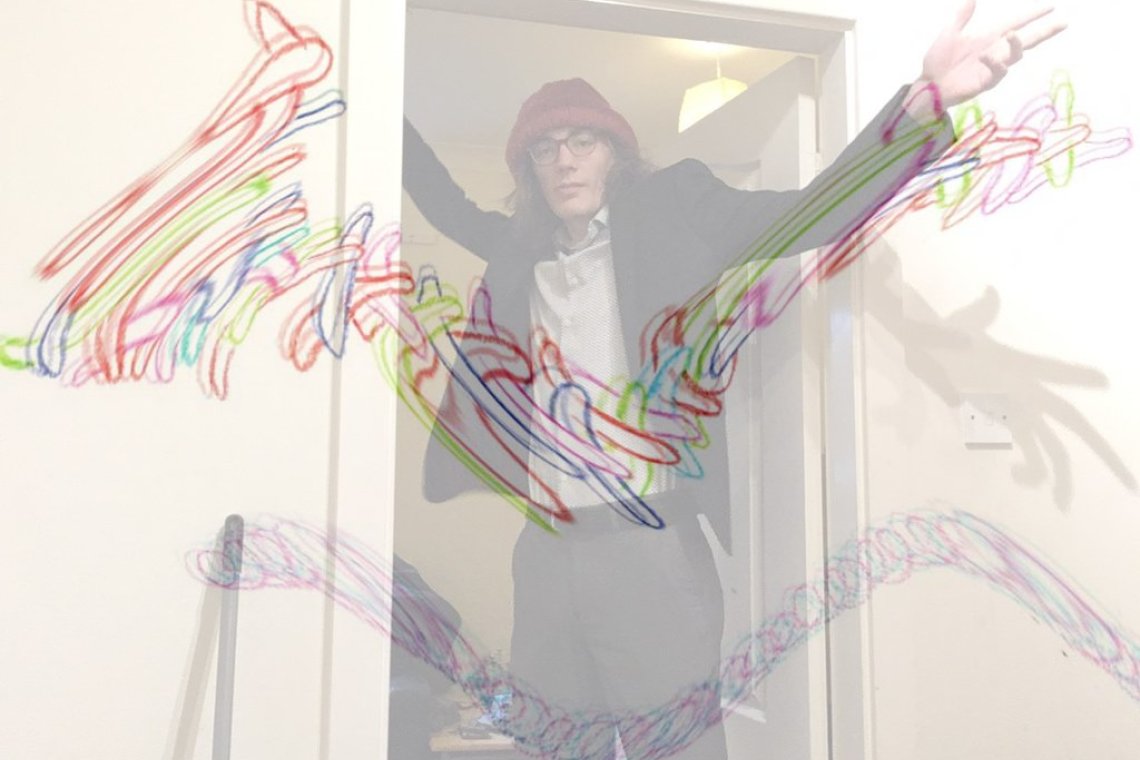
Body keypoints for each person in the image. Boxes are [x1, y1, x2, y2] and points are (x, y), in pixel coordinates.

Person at [400, 3, 1065, 757]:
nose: (565, 160)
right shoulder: (521, 249)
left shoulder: (674, 209)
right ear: (530, 170)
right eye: (545, 148)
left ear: (615, 153)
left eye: (583, 141)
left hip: (652, 549)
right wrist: (362, 78)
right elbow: (444, 202)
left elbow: (813, 213)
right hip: (546, 553)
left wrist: (919, 106)